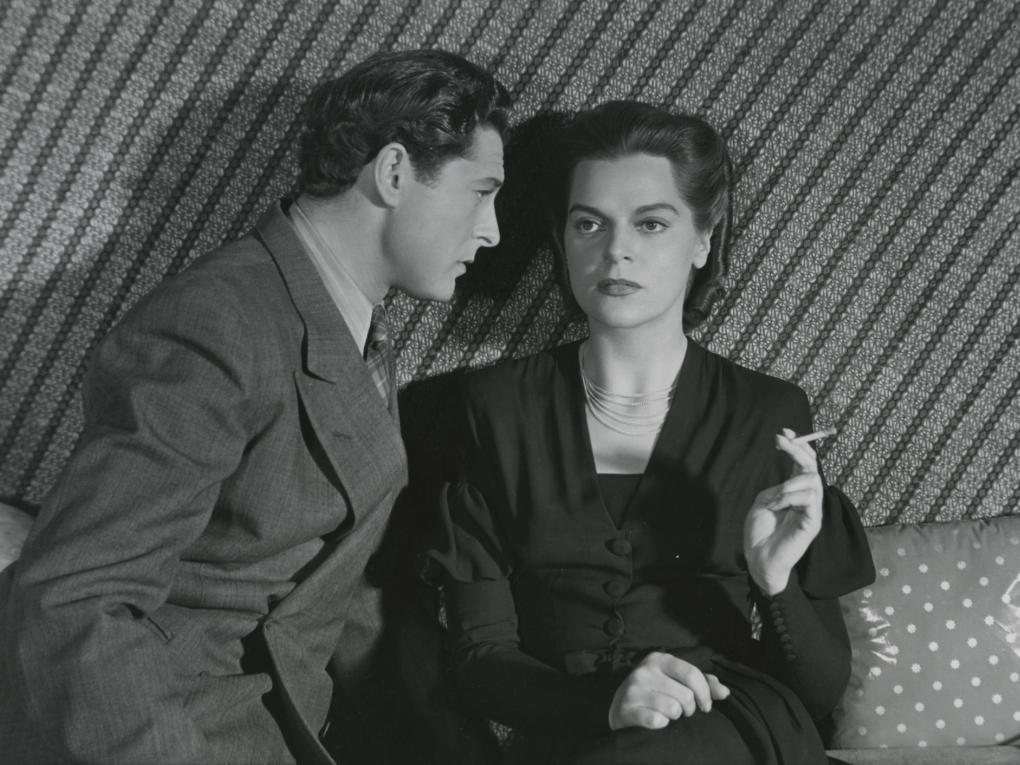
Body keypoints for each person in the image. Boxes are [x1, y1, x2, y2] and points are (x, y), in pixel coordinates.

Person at [0, 49, 509, 765]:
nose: (492, 230)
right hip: (169, 728)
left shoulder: (348, 322)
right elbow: (77, 597)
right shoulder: (218, 322)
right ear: (394, 173)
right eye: (481, 192)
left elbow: (341, 590)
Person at [424, 101, 875, 765]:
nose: (616, 250)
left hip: (729, 723)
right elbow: (480, 658)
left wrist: (775, 581)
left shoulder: (770, 411)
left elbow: (819, 691)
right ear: (562, 240)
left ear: (702, 240)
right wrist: (603, 703)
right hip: (570, 729)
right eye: (589, 223)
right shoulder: (494, 408)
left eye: (651, 223)